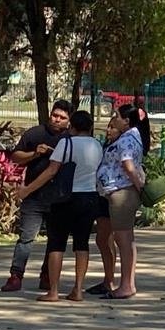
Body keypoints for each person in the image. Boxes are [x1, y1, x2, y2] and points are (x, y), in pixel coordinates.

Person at [14, 110, 103, 303]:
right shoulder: (97, 145)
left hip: (64, 198)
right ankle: (78, 289)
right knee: (82, 244)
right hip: (88, 197)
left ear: (72, 126)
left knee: (57, 244)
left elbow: (51, 171)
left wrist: (27, 189)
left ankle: (53, 290)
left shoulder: (66, 142)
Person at [93, 104, 149, 299]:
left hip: (121, 193)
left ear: (126, 120)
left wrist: (139, 187)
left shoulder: (126, 139)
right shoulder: (133, 136)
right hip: (119, 191)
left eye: (116, 116)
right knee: (126, 240)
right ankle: (127, 282)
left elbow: (128, 165)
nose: (113, 118)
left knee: (123, 240)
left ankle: (126, 284)